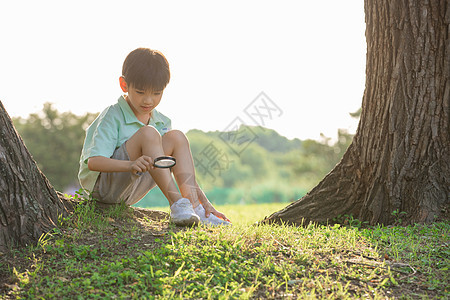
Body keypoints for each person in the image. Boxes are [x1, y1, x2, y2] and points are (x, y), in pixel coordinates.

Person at [78, 47, 230, 226]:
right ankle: (177, 205)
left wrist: (206, 204)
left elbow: (179, 169)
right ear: (124, 85)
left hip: (131, 190)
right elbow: (94, 162)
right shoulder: (113, 115)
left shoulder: (161, 121)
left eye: (156, 93)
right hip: (103, 188)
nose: (148, 100)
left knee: (177, 137)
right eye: (141, 92)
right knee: (149, 134)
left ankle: (195, 209)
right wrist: (130, 165)